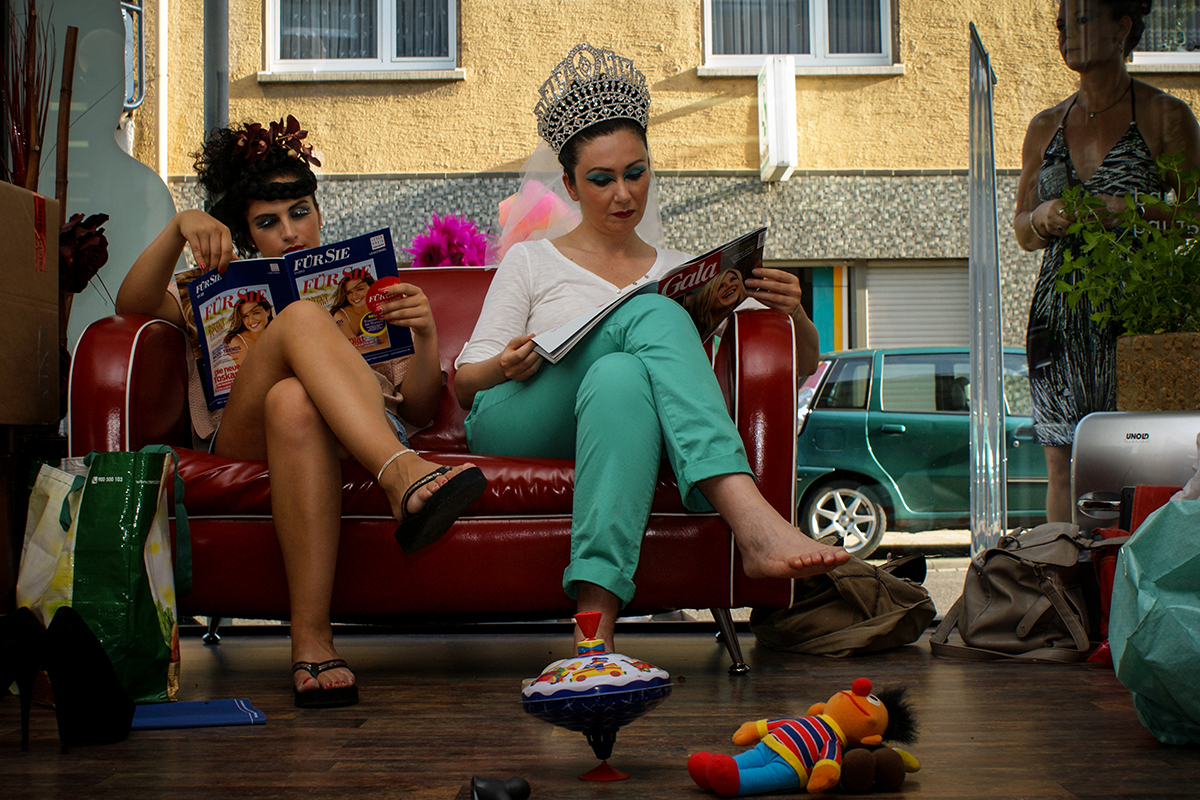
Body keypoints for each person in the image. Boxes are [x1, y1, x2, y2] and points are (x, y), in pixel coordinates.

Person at [454, 44, 848, 649]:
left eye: (635, 173)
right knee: (651, 310)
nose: (623, 194)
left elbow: (803, 364)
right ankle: (751, 519)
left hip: (614, 417)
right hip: (518, 415)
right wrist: (505, 364)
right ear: (569, 184)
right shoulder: (531, 260)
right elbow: (464, 384)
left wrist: (794, 312)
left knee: (620, 377)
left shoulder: (683, 272)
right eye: (601, 180)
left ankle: (594, 631)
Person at [115, 116, 486, 707]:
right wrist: (179, 225)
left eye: (300, 212)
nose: (290, 232)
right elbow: (131, 304)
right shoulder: (208, 288)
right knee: (301, 319)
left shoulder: (369, 290)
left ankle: (311, 642)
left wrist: (425, 333)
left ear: (318, 212)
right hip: (243, 436)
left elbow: (418, 406)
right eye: (268, 222)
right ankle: (400, 474)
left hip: (351, 431)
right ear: (246, 235)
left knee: (294, 399)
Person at [1013, 0, 1200, 522]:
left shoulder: (1165, 115)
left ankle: (1132, 564)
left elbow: (1196, 213)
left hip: (1138, 314)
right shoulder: (1044, 125)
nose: (1067, 34)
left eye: (1082, 19)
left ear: (1122, 27)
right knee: (1061, 460)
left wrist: (1131, 209)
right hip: (1058, 315)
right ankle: (1065, 566)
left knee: (1139, 452)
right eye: (1061, 24)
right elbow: (1022, 228)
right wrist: (1042, 215)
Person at [329, 271, 390, 352]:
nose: (354, 296)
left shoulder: (377, 307)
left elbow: (387, 342)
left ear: (371, 287)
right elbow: (355, 352)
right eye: (349, 292)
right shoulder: (341, 315)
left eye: (359, 289)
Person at [223, 296, 273, 367]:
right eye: (245, 316)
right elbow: (249, 373)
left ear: (268, 311)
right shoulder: (237, 342)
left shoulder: (274, 333)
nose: (251, 321)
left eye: (255, 313)